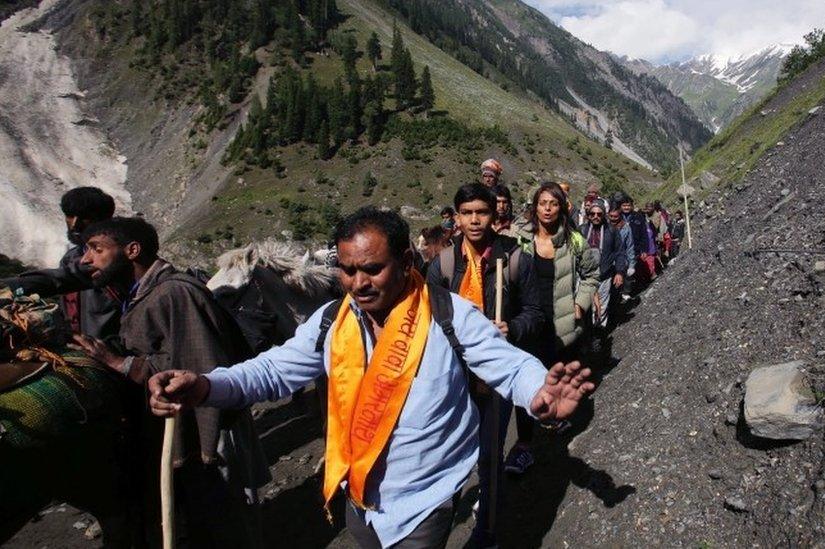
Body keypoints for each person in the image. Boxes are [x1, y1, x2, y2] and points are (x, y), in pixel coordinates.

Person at [146, 208, 594, 549]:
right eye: (347, 269)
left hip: (424, 500)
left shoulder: (449, 315)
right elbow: (273, 371)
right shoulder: (331, 322)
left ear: (404, 260)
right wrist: (204, 386)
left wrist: (540, 394)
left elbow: (509, 365)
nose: (358, 283)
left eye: (372, 269)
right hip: (357, 495)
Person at [70, 217, 269, 548]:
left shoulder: (174, 293)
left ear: (132, 250)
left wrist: (119, 363)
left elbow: (200, 368)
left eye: (97, 249)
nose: (85, 259)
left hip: (208, 431)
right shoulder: (145, 294)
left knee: (227, 527)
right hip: (186, 427)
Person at [426, 184, 543, 546]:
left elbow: (536, 313)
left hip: (493, 375)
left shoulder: (516, 259)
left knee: (490, 456)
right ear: (457, 217)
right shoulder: (443, 265)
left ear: (495, 215)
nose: (475, 220)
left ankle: (487, 532)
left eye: (482, 212)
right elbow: (424, 318)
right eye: (467, 212)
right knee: (445, 453)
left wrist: (513, 327)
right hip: (451, 377)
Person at [508, 182, 599, 474]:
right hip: (527, 321)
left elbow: (591, 274)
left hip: (560, 322)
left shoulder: (573, 241)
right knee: (526, 382)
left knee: (552, 375)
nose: (547, 209)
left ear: (562, 207)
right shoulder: (519, 238)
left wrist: (580, 304)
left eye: (553, 204)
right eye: (542, 203)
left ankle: (553, 417)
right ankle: (523, 447)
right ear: (534, 206)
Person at [1, 187, 119, 343]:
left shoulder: (117, 257)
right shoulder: (71, 258)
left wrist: (8, 286)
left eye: (85, 217)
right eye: (70, 215)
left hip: (115, 354)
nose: (74, 225)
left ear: (105, 219)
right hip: (81, 347)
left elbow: (62, 278)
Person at [580, 202, 626, 330]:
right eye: (592, 214)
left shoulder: (612, 231)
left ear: (603, 215)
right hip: (584, 277)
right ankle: (585, 335)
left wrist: (620, 272)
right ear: (588, 215)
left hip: (604, 276)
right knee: (585, 307)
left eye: (599, 214)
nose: (596, 216)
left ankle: (598, 334)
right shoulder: (581, 230)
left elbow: (620, 252)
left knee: (602, 305)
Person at [607, 202, 636, 302]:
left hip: (621, 261)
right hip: (607, 262)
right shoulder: (604, 227)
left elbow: (630, 246)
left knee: (618, 286)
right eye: (611, 216)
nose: (613, 219)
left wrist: (632, 264)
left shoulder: (626, 228)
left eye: (615, 216)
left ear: (620, 216)